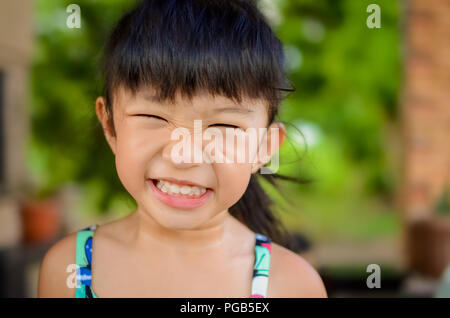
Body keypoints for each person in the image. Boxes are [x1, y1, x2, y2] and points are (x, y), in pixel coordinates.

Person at [37, 0, 327, 298]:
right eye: (153, 117)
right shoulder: (70, 269)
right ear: (110, 127)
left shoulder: (291, 285)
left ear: (264, 148)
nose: (184, 155)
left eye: (222, 127)